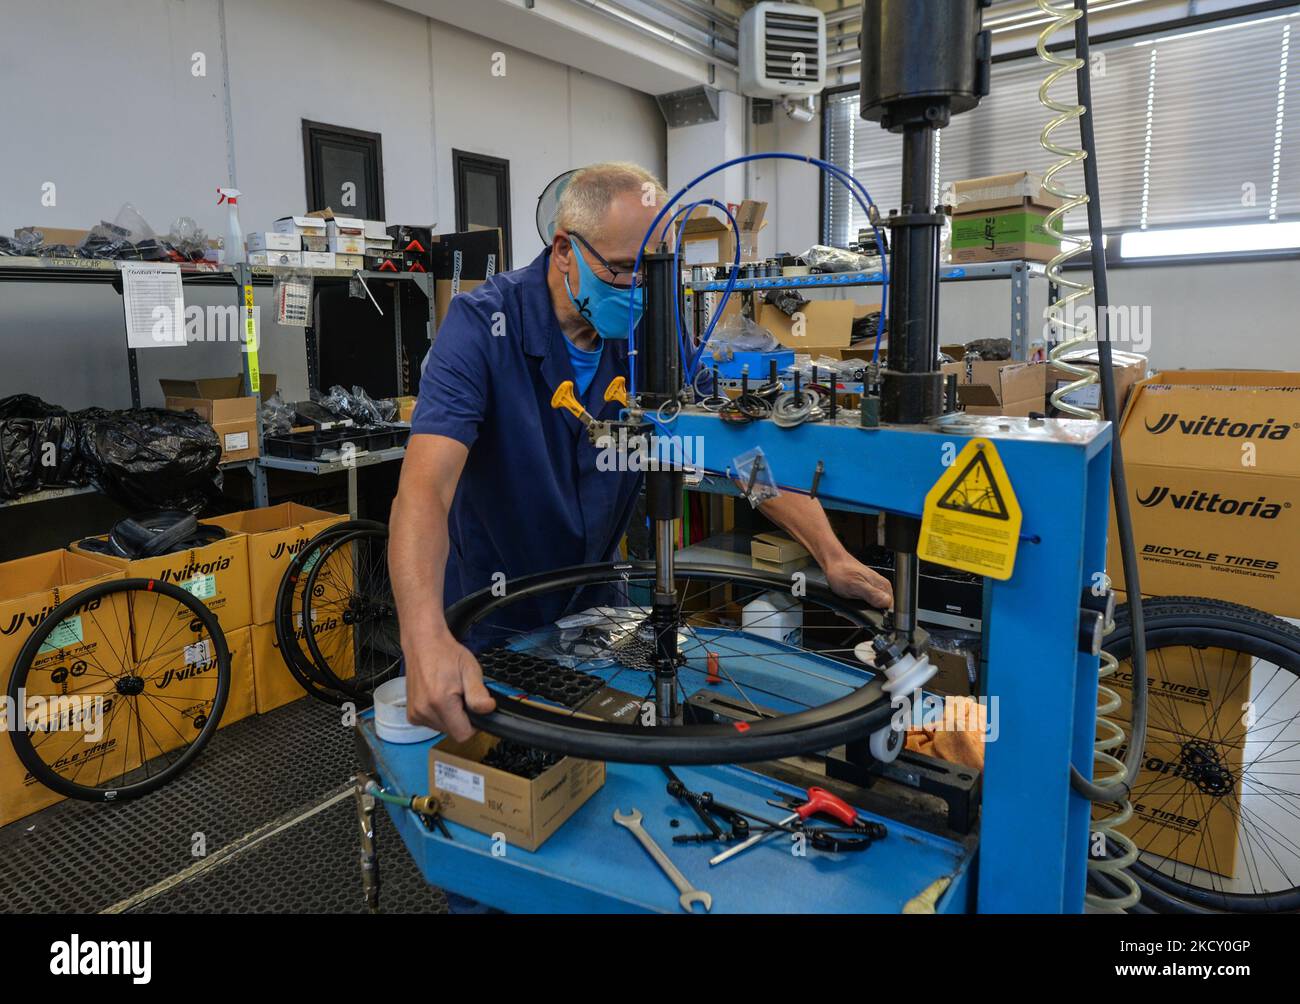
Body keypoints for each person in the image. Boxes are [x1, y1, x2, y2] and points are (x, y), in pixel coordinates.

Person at [390, 161, 892, 742]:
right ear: (563, 250)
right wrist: (425, 637)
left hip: (598, 615)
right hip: (490, 618)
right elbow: (425, 489)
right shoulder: (481, 327)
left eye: (653, 273)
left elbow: (736, 456)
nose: (638, 291)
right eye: (624, 269)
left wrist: (829, 554)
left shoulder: (652, 334)